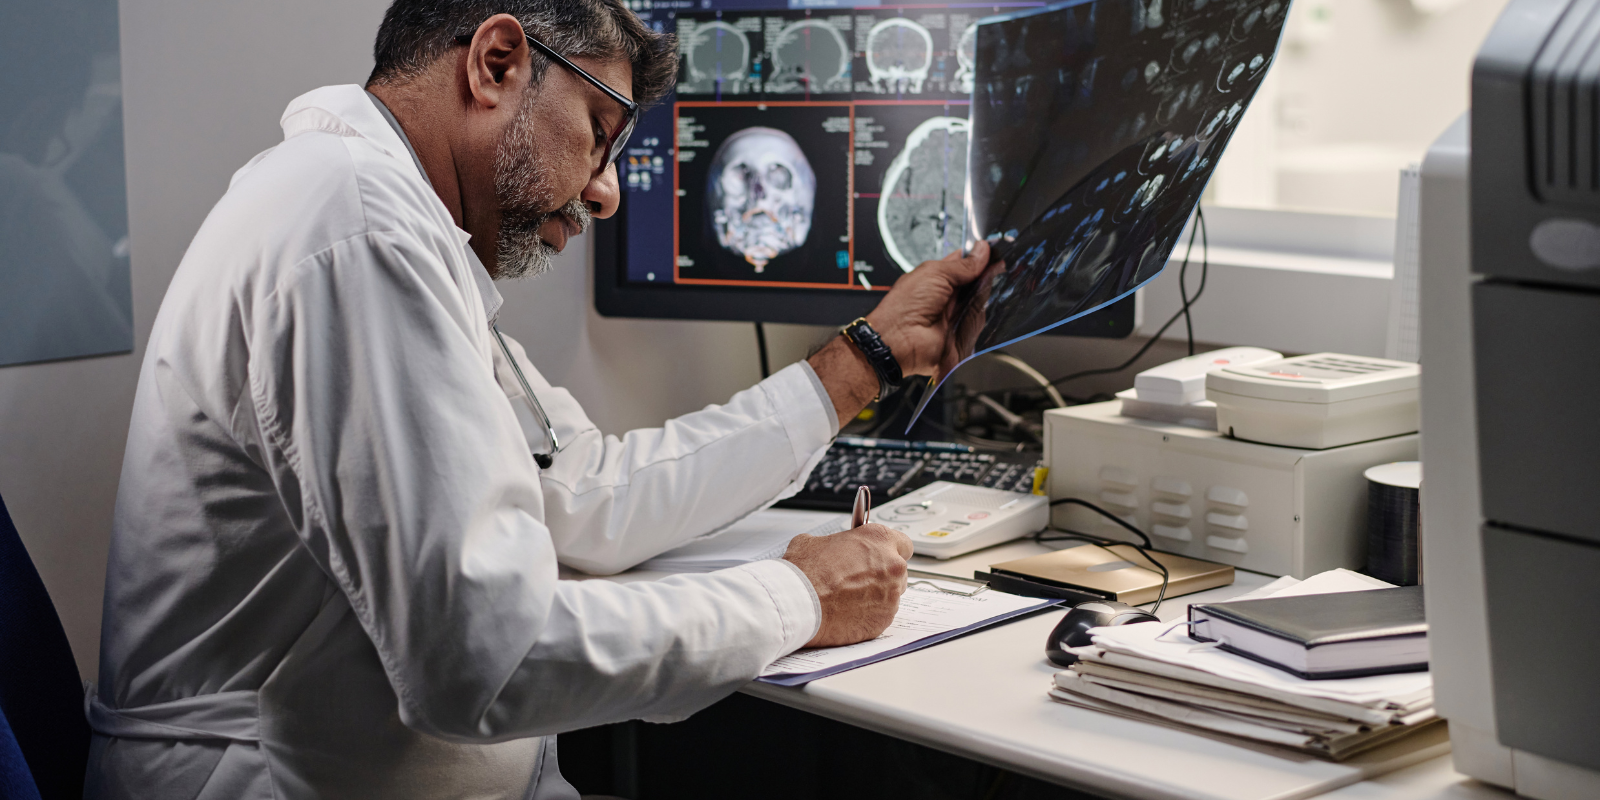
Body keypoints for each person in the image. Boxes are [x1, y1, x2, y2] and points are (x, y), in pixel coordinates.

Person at [86, 1, 989, 798]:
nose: (604, 194)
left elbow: (585, 489)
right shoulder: (352, 225)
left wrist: (863, 362)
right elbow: (486, 658)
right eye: (600, 130)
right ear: (497, 63)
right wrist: (798, 595)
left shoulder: (397, 229)